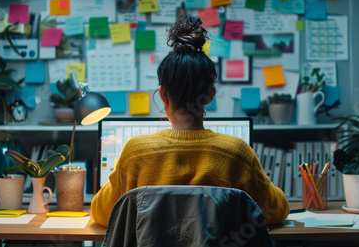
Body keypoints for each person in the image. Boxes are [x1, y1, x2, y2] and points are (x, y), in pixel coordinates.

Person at [91, 15, 289, 227]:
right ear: (210, 95)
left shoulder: (136, 152)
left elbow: (101, 214)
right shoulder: (237, 153)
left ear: (163, 94)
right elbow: (276, 211)